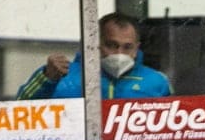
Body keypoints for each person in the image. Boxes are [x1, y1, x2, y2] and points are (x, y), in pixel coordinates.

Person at [17, 12, 171, 100]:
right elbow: (18, 111)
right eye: (111, 45)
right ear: (94, 43)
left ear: (137, 48)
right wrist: (47, 80)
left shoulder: (157, 81)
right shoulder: (61, 75)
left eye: (127, 47)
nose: (119, 53)